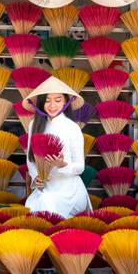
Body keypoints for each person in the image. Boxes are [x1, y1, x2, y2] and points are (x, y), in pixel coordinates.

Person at [22, 76, 92, 218]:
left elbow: (80, 167)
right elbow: (30, 160)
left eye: (58, 100)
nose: (52, 105)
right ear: (40, 103)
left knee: (47, 205)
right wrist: (36, 178)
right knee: (34, 207)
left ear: (66, 101)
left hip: (70, 191)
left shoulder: (73, 128)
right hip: (45, 190)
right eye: (47, 101)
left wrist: (62, 165)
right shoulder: (34, 125)